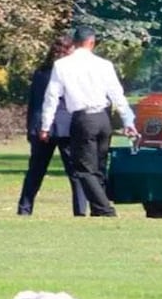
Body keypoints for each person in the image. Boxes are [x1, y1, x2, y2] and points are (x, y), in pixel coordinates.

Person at [40, 27, 137, 217]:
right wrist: (128, 120)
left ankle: (104, 209)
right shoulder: (104, 64)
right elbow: (118, 95)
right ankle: (98, 209)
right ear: (92, 42)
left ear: (74, 43)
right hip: (103, 118)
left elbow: (52, 97)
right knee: (99, 167)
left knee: (84, 168)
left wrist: (45, 126)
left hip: (83, 118)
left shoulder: (62, 65)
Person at [17, 36, 88, 216]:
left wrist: (31, 128)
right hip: (66, 127)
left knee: (35, 171)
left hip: (41, 125)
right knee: (75, 172)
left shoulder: (41, 72)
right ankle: (80, 210)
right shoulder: (70, 72)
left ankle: (25, 208)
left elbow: (33, 102)